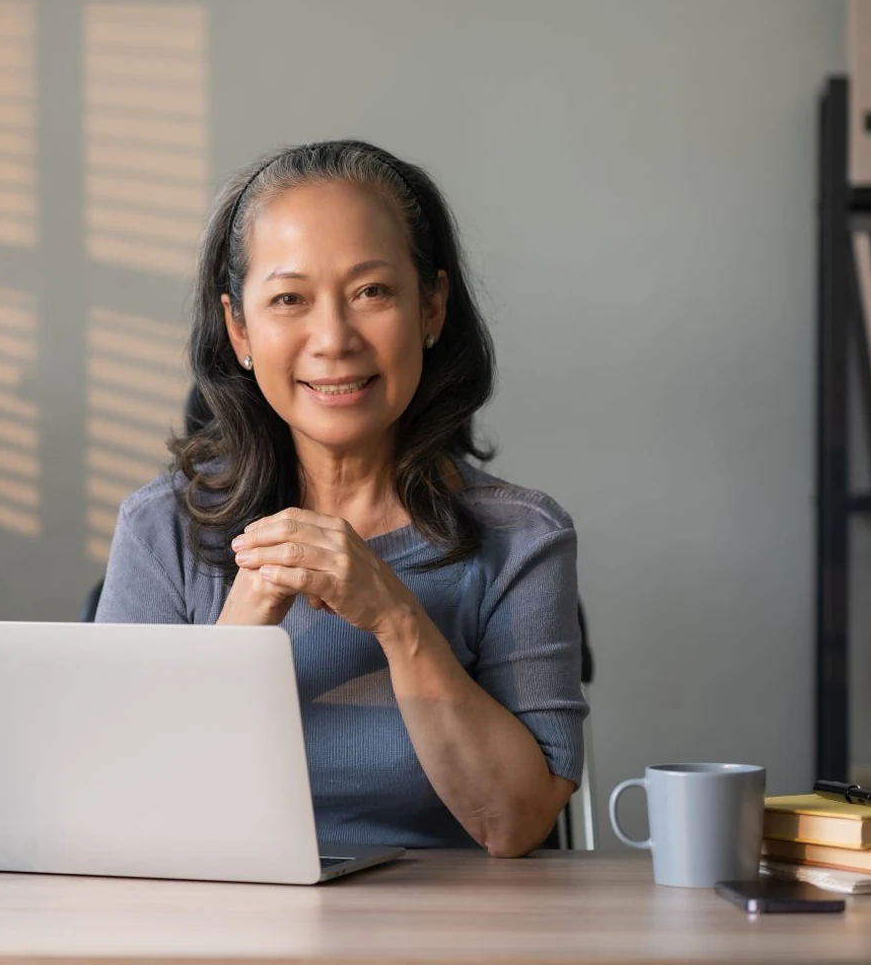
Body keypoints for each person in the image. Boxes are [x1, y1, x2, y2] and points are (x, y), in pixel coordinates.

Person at [95, 140, 587, 857]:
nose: (333, 339)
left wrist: (393, 615)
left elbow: (514, 822)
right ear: (240, 330)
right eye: (290, 300)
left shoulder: (522, 535)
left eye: (372, 293)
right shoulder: (159, 528)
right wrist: (245, 621)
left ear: (432, 307)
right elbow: (120, 813)